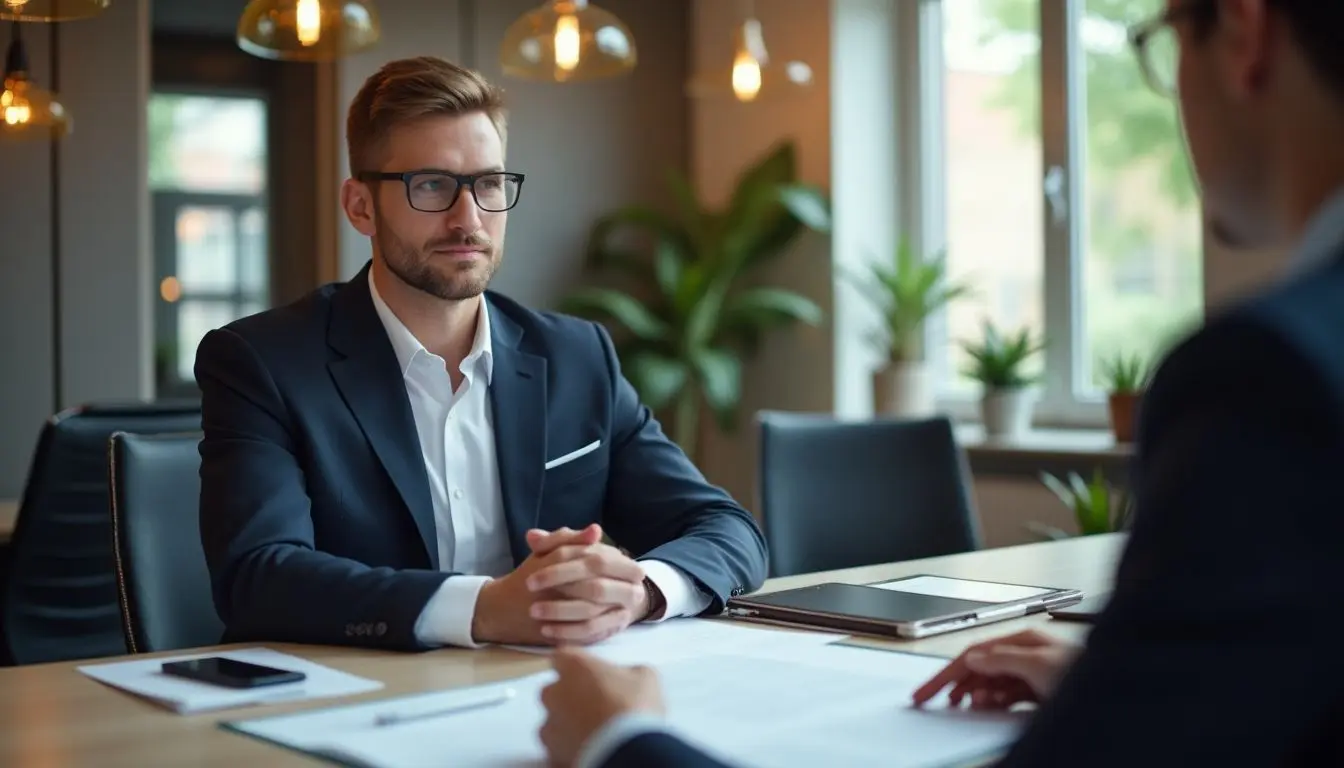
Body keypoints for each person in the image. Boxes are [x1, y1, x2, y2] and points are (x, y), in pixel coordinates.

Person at [536, 0, 1344, 764]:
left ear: (1244, 32)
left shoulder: (1270, 376)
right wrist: (1132, 686)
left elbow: (725, 531)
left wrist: (624, 743)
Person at [194, 56, 768, 652]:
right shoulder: (262, 362)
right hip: (359, 695)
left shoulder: (577, 356)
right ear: (360, 205)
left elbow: (727, 530)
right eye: (432, 185)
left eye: (489, 184)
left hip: (544, 688)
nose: (468, 219)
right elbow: (257, 578)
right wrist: (482, 608)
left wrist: (643, 590)